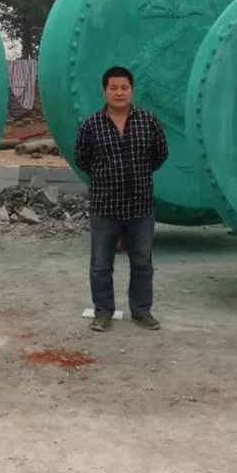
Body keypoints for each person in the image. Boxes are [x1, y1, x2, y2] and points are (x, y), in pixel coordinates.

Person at [73, 66, 169, 332]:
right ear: (104, 91)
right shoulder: (92, 125)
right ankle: (103, 312)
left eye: (124, 87)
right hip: (105, 206)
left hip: (140, 206)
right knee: (101, 265)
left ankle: (142, 311)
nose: (119, 92)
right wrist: (106, 176)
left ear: (132, 90)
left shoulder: (148, 121)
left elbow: (160, 154)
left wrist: (138, 173)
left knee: (142, 263)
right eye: (113, 88)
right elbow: (82, 158)